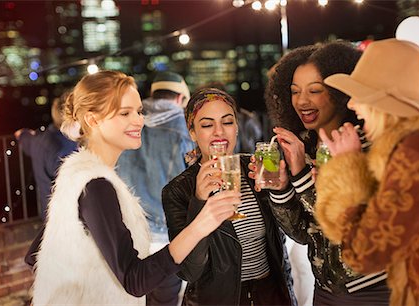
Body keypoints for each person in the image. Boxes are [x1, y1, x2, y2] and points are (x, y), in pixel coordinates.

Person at [31, 71, 239, 305]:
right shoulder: (96, 185)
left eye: (139, 111)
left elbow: (37, 254)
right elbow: (135, 281)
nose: (138, 120)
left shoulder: (75, 172)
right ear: (92, 120)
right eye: (125, 113)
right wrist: (202, 223)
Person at [250, 41, 391, 305]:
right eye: (294, 92)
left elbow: (350, 226)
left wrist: (302, 176)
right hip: (324, 290)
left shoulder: (369, 145)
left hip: (372, 289)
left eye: (315, 90)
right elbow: (304, 233)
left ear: (341, 91)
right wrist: (281, 189)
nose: (302, 101)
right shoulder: (304, 146)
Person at [314, 39, 419, 306]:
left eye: (359, 94)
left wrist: (346, 171)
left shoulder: (413, 153)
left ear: (384, 102)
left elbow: (363, 253)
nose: (352, 105)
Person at [162, 87, 296, 306]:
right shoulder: (178, 191)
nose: (219, 131)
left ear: (236, 127)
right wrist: (199, 200)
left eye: (227, 122)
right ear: (192, 132)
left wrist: (281, 190)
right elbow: (189, 271)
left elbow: (295, 233)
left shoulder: (256, 170)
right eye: (206, 124)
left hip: (271, 294)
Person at [117, 71, 193, 305]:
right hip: (165, 234)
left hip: (129, 230)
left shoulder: (129, 122)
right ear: (180, 98)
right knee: (165, 299)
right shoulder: (184, 128)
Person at [14, 90, 77, 220]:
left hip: (49, 215)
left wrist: (23, 134)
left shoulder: (39, 139)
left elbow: (23, 137)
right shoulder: (65, 147)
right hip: (68, 219)